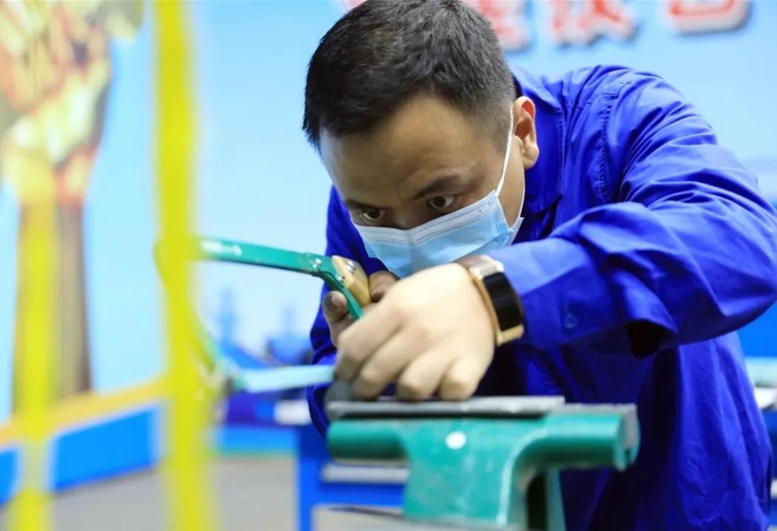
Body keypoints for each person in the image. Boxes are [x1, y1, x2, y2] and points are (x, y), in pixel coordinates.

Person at [301, 0, 777, 529]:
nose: (411, 235)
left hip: (682, 507)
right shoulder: (369, 195)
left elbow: (740, 238)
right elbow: (330, 385)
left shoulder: (616, 121)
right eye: (373, 213)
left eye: (440, 201)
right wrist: (373, 366)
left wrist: (496, 294)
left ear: (523, 132)